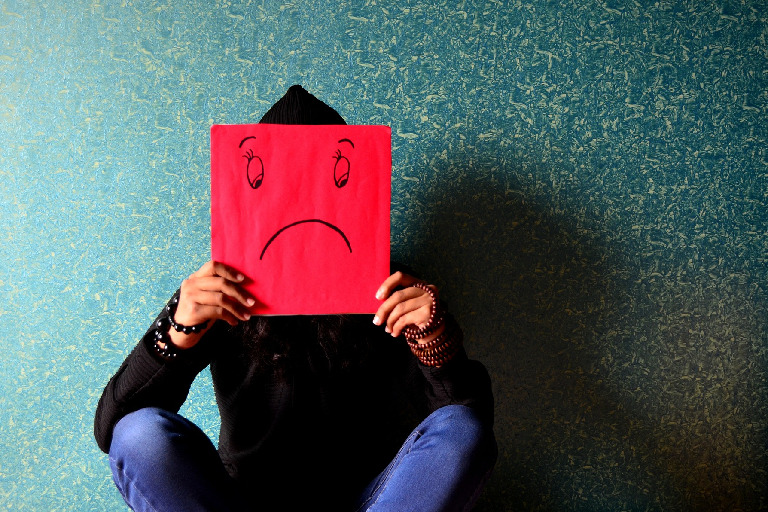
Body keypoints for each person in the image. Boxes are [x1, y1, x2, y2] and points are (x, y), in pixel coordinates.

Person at [94, 85, 497, 511]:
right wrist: (179, 327)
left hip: (369, 501)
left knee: (462, 429)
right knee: (139, 434)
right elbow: (114, 431)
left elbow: (467, 435)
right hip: (243, 503)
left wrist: (435, 340)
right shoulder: (222, 291)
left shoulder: (393, 292)